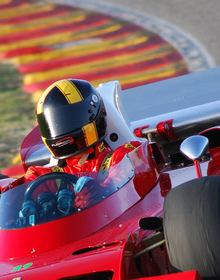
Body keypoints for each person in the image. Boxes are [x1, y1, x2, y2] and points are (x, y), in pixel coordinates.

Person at [24, 79, 139, 208]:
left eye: (67, 120)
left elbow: (122, 183)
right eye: (55, 122)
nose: (59, 127)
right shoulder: (39, 176)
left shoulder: (123, 156)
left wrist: (101, 192)